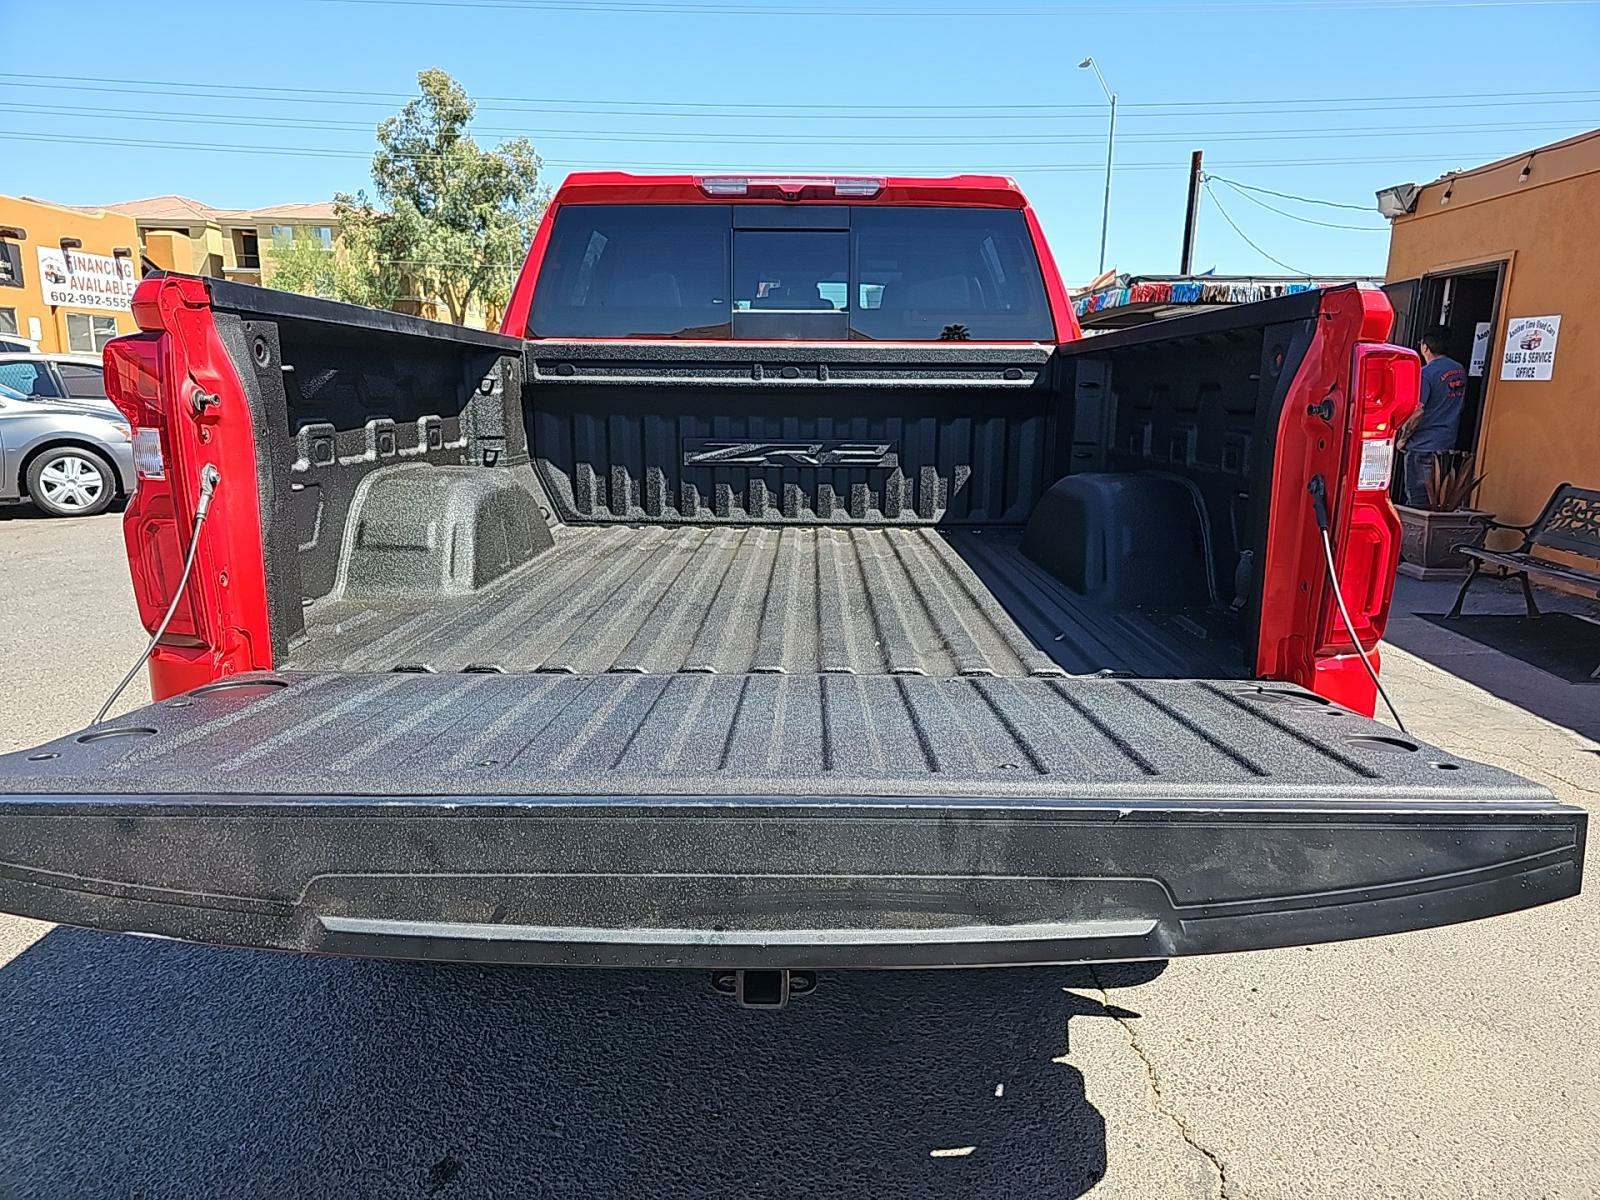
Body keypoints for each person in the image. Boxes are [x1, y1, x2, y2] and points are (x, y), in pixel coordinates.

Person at [1400, 327, 1467, 506]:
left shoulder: (1425, 374)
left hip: (1423, 446)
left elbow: (1418, 412)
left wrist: (1403, 439)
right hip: (1446, 443)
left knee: (1418, 500)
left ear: (1425, 347)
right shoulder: (1458, 370)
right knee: (1439, 500)